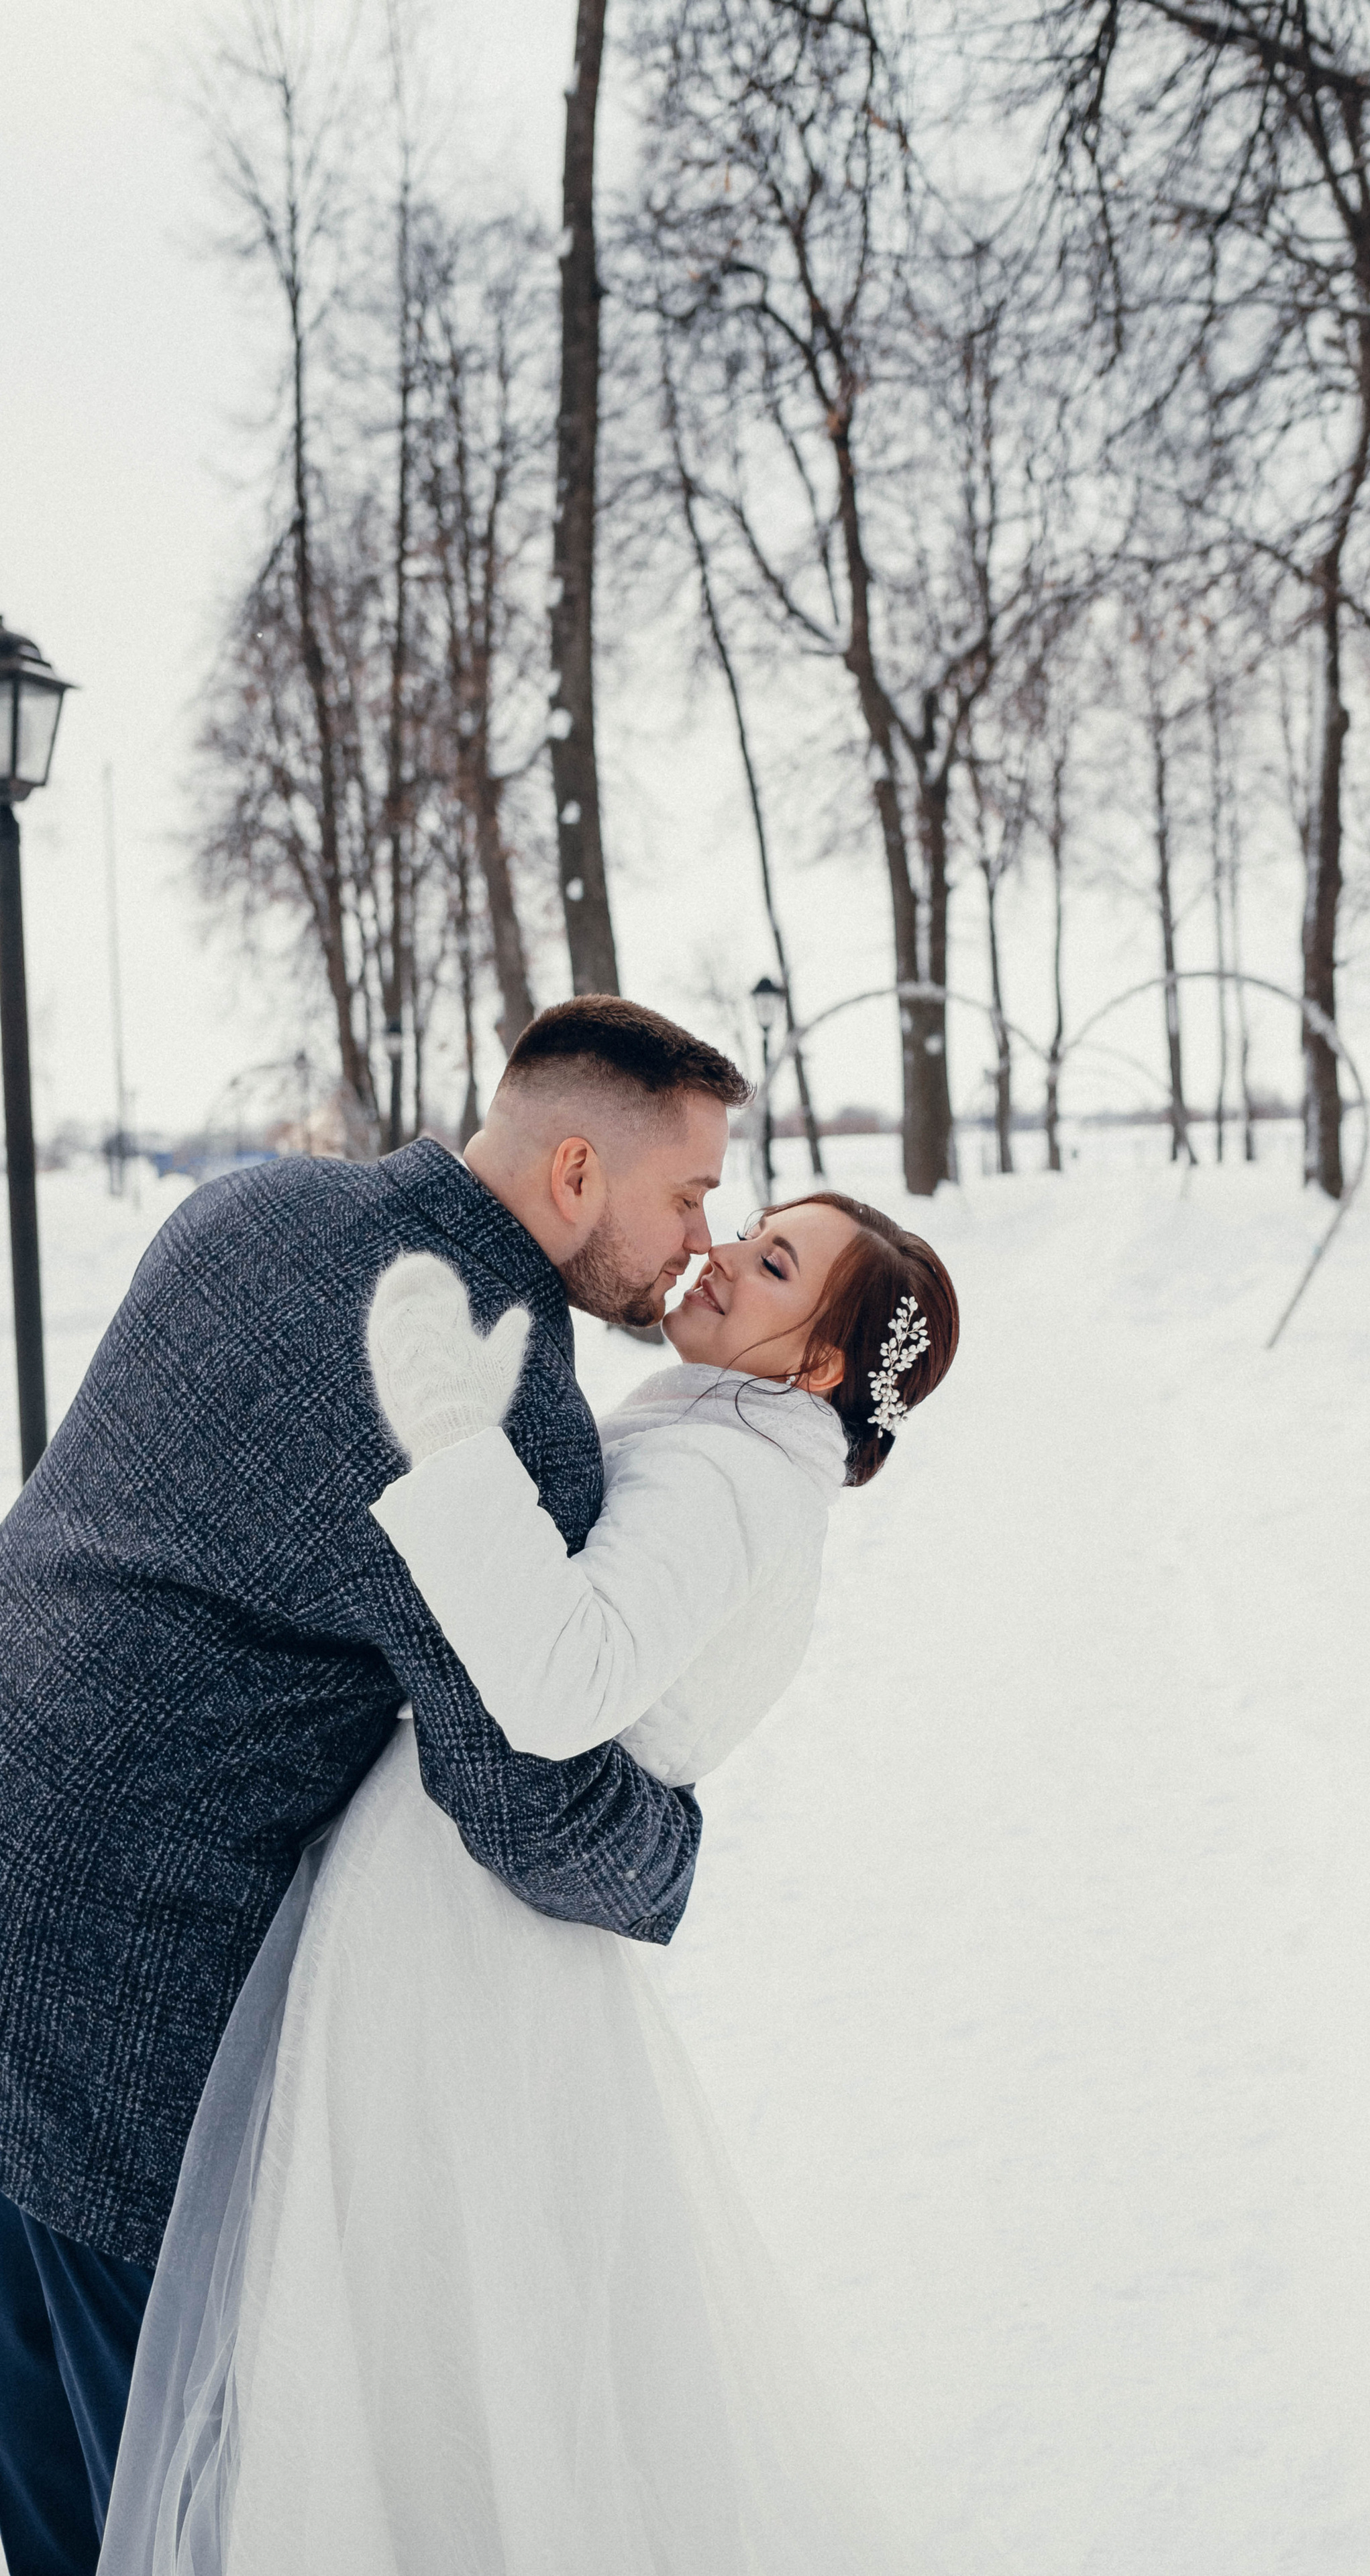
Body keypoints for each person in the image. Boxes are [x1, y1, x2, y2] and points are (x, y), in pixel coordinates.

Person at [100, 1188, 959, 2574]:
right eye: (748, 1225)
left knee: (392, 2334)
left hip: (456, 1932)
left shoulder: (729, 1479)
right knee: (450, 2346)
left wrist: (454, 1445)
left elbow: (562, 1683)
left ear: (816, 1365)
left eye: (774, 1261)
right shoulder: (734, 1455)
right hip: (483, 1927)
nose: (725, 1253)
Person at [0, 996, 752, 2576]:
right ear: (571, 1172)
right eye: (686, 1194)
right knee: (158, 2517)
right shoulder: (490, 1407)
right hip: (120, 2043)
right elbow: (529, 1810)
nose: (704, 1238)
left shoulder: (246, 1205)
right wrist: (674, 1842)